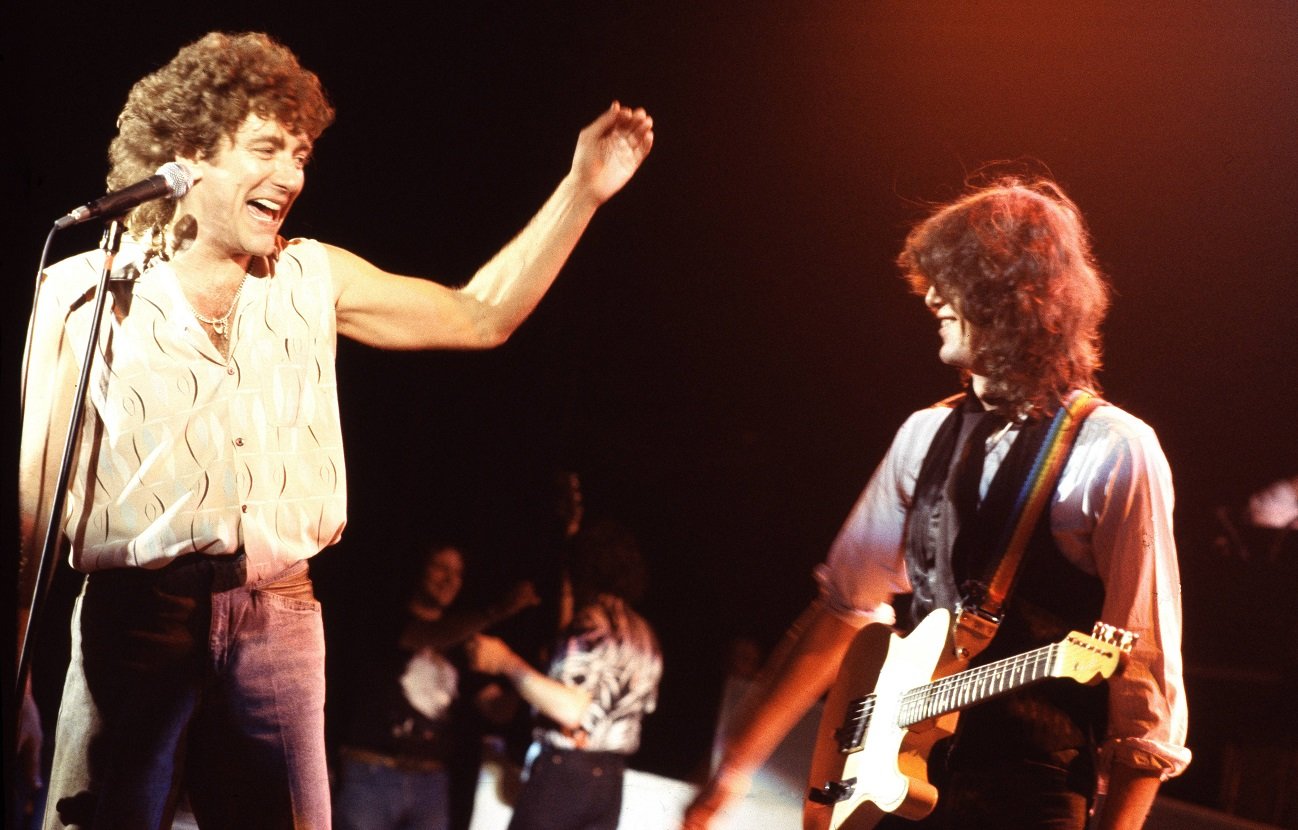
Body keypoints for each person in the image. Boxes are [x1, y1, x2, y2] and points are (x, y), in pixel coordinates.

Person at [17, 30, 653, 829]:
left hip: (280, 623)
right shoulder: (83, 292)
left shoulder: (313, 276)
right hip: (136, 620)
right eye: (268, 149)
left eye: (303, 155)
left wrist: (581, 192)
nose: (291, 176)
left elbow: (481, 315)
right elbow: (29, 520)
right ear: (187, 154)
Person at [683, 176, 1190, 829]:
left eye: (953, 279)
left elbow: (1145, 687)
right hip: (896, 792)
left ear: (1019, 295)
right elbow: (843, 610)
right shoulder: (923, 435)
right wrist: (730, 773)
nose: (929, 295)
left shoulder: (1115, 449)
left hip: (1025, 799)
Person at [468, 519, 662, 830]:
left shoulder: (592, 621)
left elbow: (573, 709)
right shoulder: (644, 633)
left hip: (564, 773)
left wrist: (504, 661)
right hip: (609, 780)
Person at [333, 543, 538, 830]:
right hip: (372, 775)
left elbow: (495, 709)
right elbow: (428, 636)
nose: (449, 579)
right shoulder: (386, 618)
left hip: (431, 783)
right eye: (441, 568)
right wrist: (499, 610)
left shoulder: (465, 643)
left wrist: (526, 678)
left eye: (458, 573)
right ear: (420, 569)